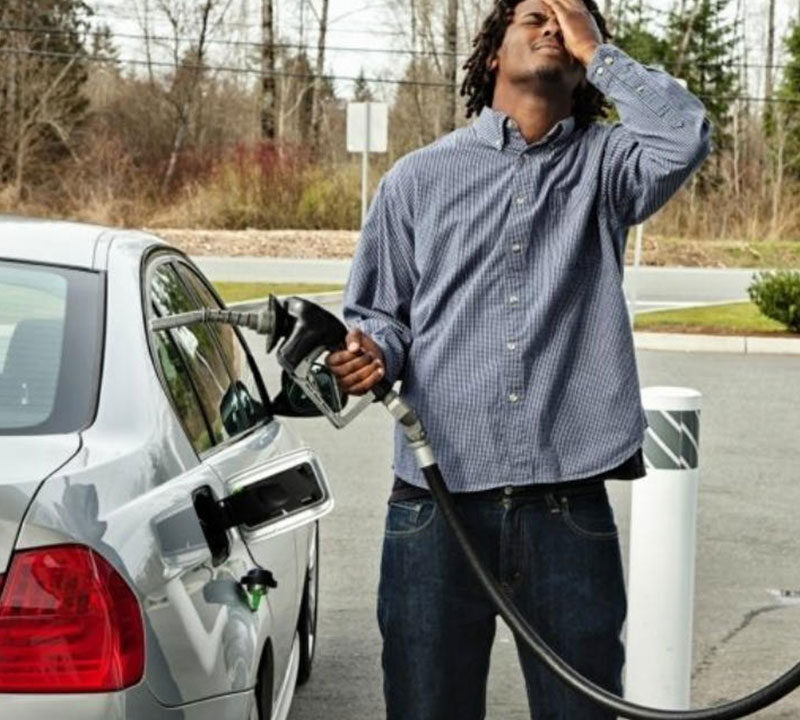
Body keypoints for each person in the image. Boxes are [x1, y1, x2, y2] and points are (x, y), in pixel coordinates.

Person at [326, 0, 711, 717]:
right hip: (435, 510)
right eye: (536, 13)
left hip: (567, 510)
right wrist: (370, 353)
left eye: (569, 19)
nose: (553, 27)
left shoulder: (609, 166)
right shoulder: (416, 179)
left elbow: (684, 134)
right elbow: (379, 316)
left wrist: (600, 50)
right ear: (493, 55)